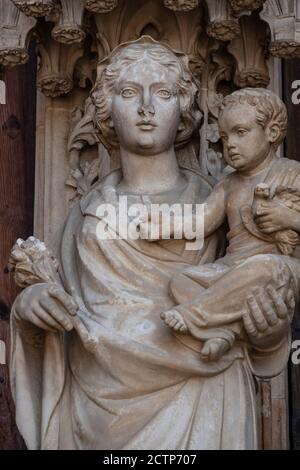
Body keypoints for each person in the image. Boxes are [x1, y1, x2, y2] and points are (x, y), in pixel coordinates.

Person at [10, 38, 297, 450]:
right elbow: (63, 310)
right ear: (107, 110)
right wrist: (31, 306)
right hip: (100, 407)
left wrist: (269, 331)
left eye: (163, 93)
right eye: (129, 93)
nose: (146, 107)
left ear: (184, 108)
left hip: (205, 393)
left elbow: (255, 304)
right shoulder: (86, 216)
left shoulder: (219, 204)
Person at [160, 88, 300, 361]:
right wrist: (162, 226)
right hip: (233, 268)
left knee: (265, 266)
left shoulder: (292, 173)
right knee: (181, 280)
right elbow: (201, 222)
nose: (230, 145)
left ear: (271, 133)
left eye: (240, 132)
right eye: (224, 138)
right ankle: (223, 331)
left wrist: (289, 218)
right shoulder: (229, 184)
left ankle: (196, 314)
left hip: (282, 268)